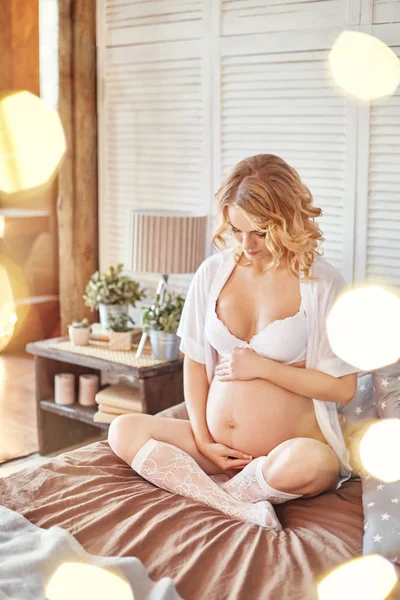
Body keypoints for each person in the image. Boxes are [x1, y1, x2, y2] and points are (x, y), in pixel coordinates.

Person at [108, 154, 360, 530]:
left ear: (287, 221)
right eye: (236, 230)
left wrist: (266, 368)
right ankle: (235, 503)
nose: (246, 245)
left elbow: (343, 388)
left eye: (260, 232)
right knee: (122, 430)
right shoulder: (212, 273)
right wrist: (203, 438)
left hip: (286, 452)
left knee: (315, 463)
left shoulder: (321, 284)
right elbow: (193, 361)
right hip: (217, 451)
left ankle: (221, 493)